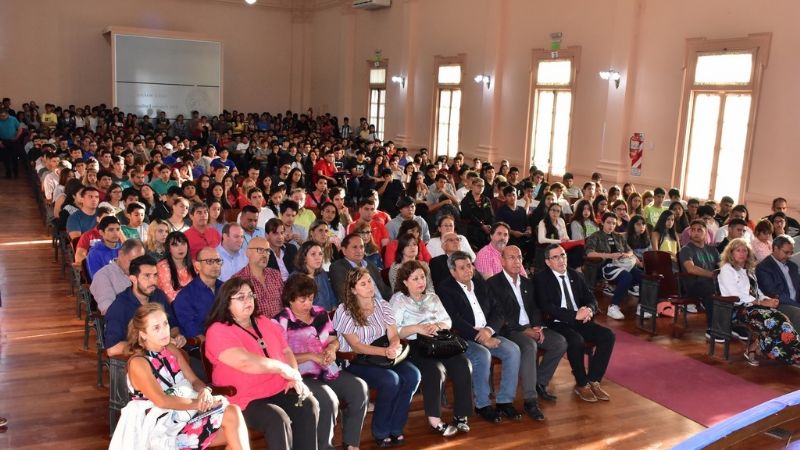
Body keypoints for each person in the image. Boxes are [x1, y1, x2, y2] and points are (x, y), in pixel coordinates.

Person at [109, 303, 249, 450]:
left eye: (165, 324)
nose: (164, 331)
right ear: (142, 334)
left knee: (233, 417)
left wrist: (205, 391)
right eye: (156, 328)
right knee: (235, 432)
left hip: (184, 416)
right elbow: (162, 401)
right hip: (160, 430)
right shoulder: (139, 362)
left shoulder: (170, 349)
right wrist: (200, 403)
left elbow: (194, 380)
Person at [204, 278, 319, 450]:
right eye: (241, 297)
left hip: (278, 388)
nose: (248, 301)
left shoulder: (264, 321)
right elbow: (244, 361)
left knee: (308, 404)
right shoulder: (218, 330)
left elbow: (286, 351)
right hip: (244, 398)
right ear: (226, 302)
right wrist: (282, 368)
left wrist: (294, 377)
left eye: (250, 295)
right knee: (277, 418)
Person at [275, 275, 369, 450]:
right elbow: (280, 357)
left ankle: (351, 444)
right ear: (290, 298)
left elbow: (334, 339)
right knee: (328, 400)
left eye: (310, 298)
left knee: (359, 388)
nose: (307, 304)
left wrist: (332, 349)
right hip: (302, 374)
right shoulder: (280, 321)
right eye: (302, 300)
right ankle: (325, 446)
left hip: (328, 368)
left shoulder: (320, 313)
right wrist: (311, 356)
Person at [332, 268, 422, 448]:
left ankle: (395, 427)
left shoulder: (382, 305)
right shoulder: (345, 310)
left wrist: (394, 345)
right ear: (353, 289)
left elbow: (393, 334)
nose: (369, 286)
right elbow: (356, 346)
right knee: (391, 380)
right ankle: (380, 431)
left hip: (384, 356)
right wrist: (385, 352)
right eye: (363, 284)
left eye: (370, 281)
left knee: (413, 375)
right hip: (357, 359)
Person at [437, 251, 522, 424]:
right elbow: (455, 320)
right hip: (464, 337)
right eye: (462, 268)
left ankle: (505, 401)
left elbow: (498, 311)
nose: (468, 270)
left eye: (469, 265)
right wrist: (480, 337)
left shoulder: (481, 283)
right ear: (453, 272)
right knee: (483, 355)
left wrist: (489, 331)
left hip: (488, 333)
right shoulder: (445, 288)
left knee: (513, 351)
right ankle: (482, 404)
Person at [390, 260, 473, 435]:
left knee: (463, 364)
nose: (421, 282)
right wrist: (417, 328)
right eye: (415, 278)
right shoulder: (398, 299)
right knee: (435, 370)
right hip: (414, 345)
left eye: (422, 277)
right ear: (405, 282)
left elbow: (448, 321)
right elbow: (394, 330)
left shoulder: (432, 297)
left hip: (439, 342)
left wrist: (436, 326)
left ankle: (461, 415)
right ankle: (435, 420)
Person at [488, 246, 568, 420]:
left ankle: (539, 382)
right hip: (509, 330)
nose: (517, 261)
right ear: (502, 261)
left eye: (519, 257)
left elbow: (535, 308)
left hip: (531, 326)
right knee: (530, 346)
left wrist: (538, 326)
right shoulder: (494, 284)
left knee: (559, 343)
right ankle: (530, 400)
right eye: (511, 258)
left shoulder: (527, 282)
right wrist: (525, 330)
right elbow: (500, 315)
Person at [534, 244, 615, 402]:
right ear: (548, 262)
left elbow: (590, 298)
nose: (561, 260)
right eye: (555, 257)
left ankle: (594, 380)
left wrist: (590, 310)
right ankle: (582, 383)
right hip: (557, 322)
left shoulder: (575, 274)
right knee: (575, 341)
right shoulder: (541, 278)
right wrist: (574, 315)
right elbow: (546, 306)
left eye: (563, 255)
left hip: (580, 319)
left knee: (608, 336)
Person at [718, 238, 800, 366]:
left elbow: (757, 291)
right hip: (738, 309)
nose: (742, 253)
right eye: (738, 250)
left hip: (755, 307)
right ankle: (785, 354)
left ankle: (792, 352)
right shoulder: (727, 269)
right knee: (776, 320)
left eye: (745, 251)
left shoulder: (748, 271)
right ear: (731, 253)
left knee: (783, 319)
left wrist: (767, 299)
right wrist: (761, 303)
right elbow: (737, 296)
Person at [104, 255, 186, 357]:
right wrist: (149, 345)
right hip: (135, 361)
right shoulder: (120, 306)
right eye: (147, 276)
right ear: (133, 279)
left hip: (164, 356)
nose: (153, 281)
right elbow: (112, 349)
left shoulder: (158, 295)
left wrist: (177, 337)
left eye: (155, 275)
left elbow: (173, 326)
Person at [585, 212, 643, 320]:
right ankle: (613, 306)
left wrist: (626, 254)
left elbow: (630, 250)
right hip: (605, 265)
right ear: (602, 222)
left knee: (642, 276)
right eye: (608, 222)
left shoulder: (618, 236)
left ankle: (642, 306)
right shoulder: (595, 236)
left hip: (622, 263)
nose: (611, 225)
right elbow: (589, 253)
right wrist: (610, 255)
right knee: (627, 276)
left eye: (614, 223)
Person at [679, 219, 721, 339]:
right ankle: (712, 328)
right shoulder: (686, 249)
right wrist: (712, 275)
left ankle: (728, 324)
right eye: (693, 230)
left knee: (728, 289)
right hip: (692, 285)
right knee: (711, 289)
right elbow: (690, 269)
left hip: (710, 283)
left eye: (699, 230)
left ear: (706, 232)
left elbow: (722, 267)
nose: (695, 233)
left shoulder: (712, 250)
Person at [173, 247, 224, 341]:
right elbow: (193, 333)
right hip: (204, 346)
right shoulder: (185, 296)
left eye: (218, 261)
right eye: (209, 261)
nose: (215, 265)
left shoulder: (226, 288)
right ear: (197, 266)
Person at [330, 234, 391, 303]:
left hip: (384, 306)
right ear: (344, 250)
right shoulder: (338, 268)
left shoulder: (370, 264)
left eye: (361, 247)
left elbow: (384, 289)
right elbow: (345, 296)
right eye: (354, 247)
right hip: (363, 309)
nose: (359, 251)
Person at [232, 236, 284, 318]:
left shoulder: (275, 275)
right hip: (254, 328)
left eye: (267, 251)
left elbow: (285, 303)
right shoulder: (238, 279)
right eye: (260, 250)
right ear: (248, 252)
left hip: (279, 327)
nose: (265, 255)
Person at [755, 235, 800, 329]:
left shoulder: (792, 266)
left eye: (791, 253)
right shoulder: (764, 268)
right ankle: (795, 343)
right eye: (786, 252)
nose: (789, 256)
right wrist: (797, 305)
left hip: (795, 302)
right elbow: (774, 293)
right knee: (798, 313)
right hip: (778, 304)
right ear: (775, 248)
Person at [90, 239, 145, 314]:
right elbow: (108, 309)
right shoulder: (103, 276)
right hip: (124, 321)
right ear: (120, 254)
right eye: (132, 262)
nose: (136, 266)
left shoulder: (144, 272)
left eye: (140, 263)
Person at [294, 241, 337, 311]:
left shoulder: (322, 273)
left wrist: (334, 311)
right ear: (304, 258)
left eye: (320, 254)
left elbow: (331, 295)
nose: (318, 258)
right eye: (313, 254)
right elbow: (301, 308)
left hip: (329, 315)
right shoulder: (295, 278)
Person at [156, 232, 197, 303]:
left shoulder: (194, 264)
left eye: (183, 244)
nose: (180, 248)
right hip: (173, 307)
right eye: (175, 245)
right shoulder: (162, 267)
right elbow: (170, 296)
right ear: (168, 248)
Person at [460, 177, 494, 250]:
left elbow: (490, 214)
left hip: (486, 229)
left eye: (483, 186)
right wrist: (481, 225)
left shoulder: (486, 199)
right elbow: (469, 215)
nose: (481, 188)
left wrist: (489, 226)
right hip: (473, 229)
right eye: (478, 185)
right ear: (472, 186)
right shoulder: (465, 201)